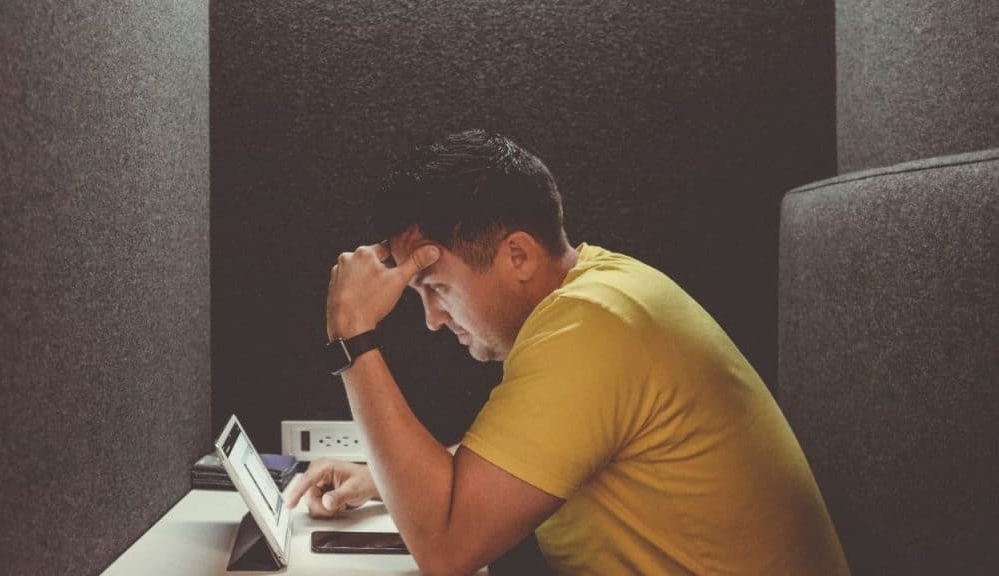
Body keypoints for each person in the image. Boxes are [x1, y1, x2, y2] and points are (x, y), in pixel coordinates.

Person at [285, 129, 850, 575]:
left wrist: (353, 335)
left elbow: (447, 549)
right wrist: (383, 478)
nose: (432, 319)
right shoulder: (604, 292)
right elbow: (538, 455)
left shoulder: (591, 326)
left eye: (436, 288)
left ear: (518, 256)